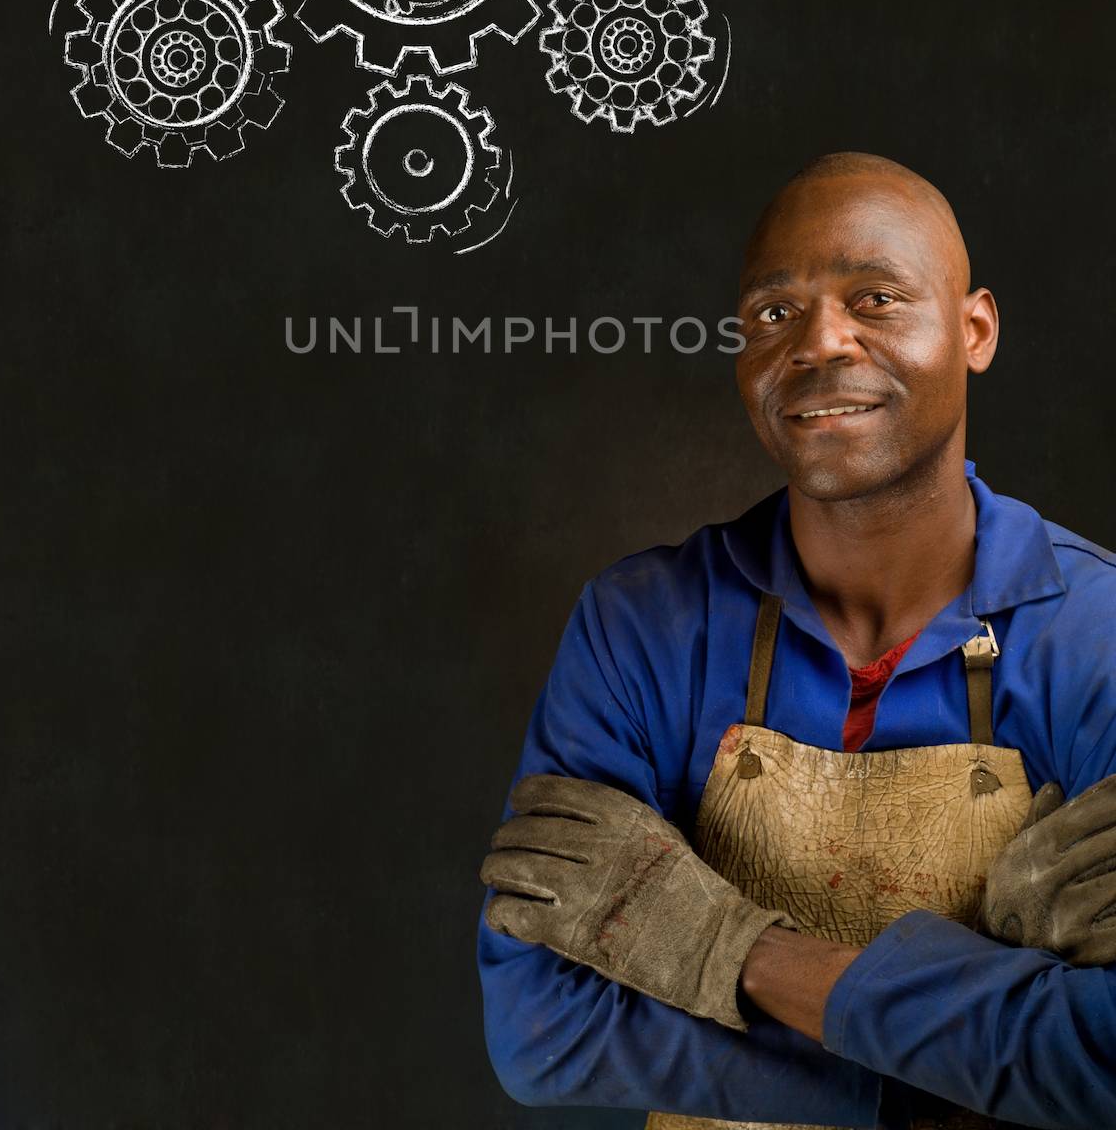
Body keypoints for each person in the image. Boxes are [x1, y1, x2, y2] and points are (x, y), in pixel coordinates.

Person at [476, 152, 1116, 1130]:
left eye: (874, 297)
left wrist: (726, 947)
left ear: (973, 328)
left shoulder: (1094, 633)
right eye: (773, 313)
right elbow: (538, 1028)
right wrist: (992, 1061)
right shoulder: (640, 626)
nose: (818, 341)